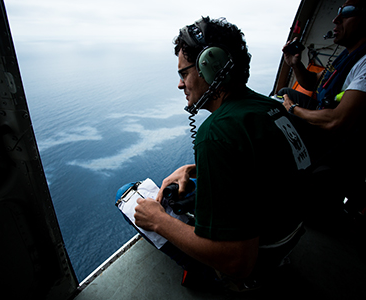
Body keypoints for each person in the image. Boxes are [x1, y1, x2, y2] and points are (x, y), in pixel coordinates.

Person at [132, 17, 311, 293]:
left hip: (255, 261)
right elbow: (262, 165)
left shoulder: (215, 133)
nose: (181, 85)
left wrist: (159, 221)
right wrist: (196, 168)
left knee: (131, 197)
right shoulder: (268, 106)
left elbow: (238, 261)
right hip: (287, 234)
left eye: (183, 74)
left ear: (210, 66)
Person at [279, 0, 366, 164]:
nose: (336, 19)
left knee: (282, 117)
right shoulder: (350, 54)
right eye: (338, 11)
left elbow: (339, 120)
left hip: (351, 137)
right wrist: (295, 64)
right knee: (283, 94)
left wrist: (293, 109)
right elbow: (313, 82)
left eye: (348, 12)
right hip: (328, 114)